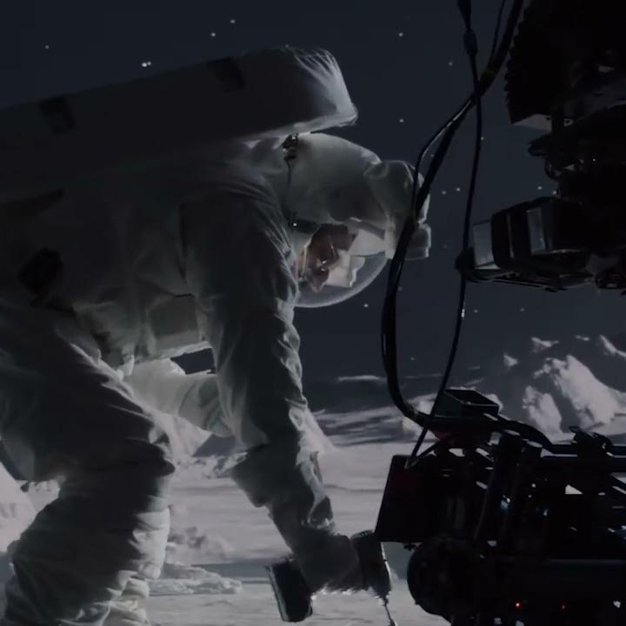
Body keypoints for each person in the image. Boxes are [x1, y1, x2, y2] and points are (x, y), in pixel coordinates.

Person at [0, 132, 431, 625]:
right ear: (324, 206)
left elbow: (122, 352)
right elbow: (264, 371)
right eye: (338, 249)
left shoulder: (218, 192)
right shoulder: (241, 217)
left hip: (30, 316)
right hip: (14, 312)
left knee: (134, 491)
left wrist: (209, 401)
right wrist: (315, 542)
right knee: (126, 470)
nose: (327, 273)